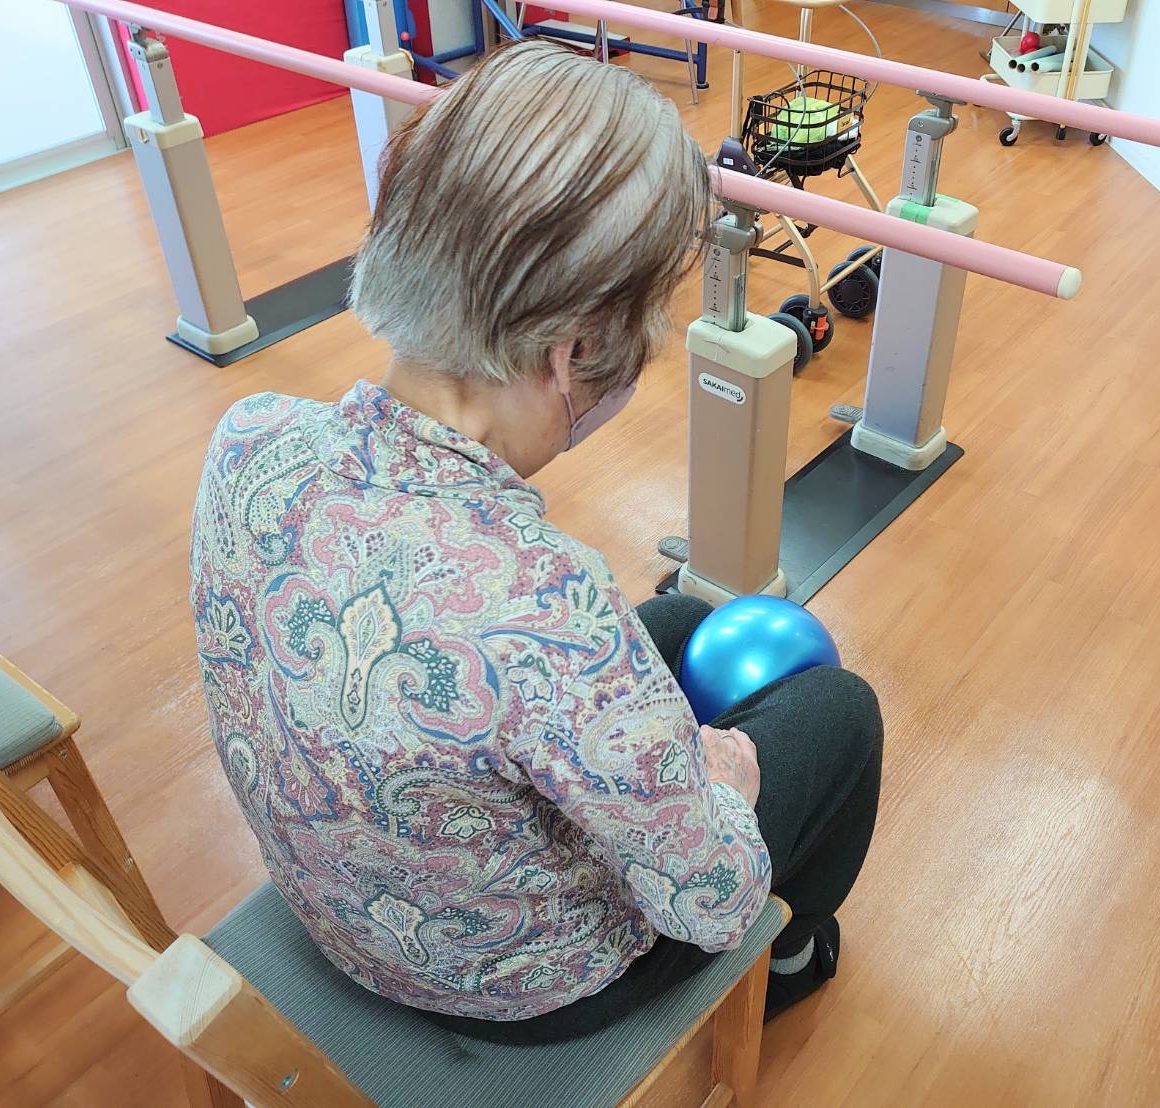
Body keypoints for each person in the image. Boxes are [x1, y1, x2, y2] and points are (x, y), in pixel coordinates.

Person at [189, 40, 882, 1043]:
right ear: (577, 352)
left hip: (333, 909)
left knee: (675, 624)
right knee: (838, 713)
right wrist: (729, 795)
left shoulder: (250, 436)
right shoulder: (549, 605)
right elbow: (715, 901)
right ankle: (791, 960)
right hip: (516, 990)